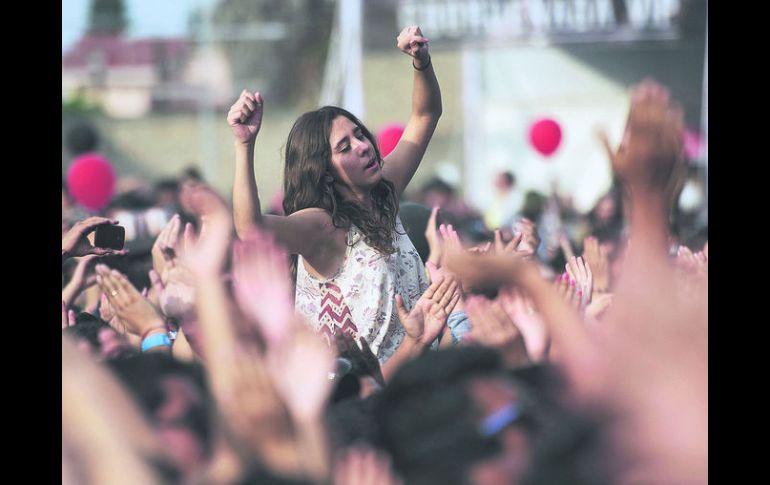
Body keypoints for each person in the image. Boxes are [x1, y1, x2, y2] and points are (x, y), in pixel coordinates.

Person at [227, 26, 443, 364]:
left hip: (418, 376)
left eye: (359, 134)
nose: (363, 146)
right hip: (359, 391)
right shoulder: (322, 226)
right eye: (344, 147)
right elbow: (249, 229)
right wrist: (244, 145)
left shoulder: (383, 193)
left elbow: (425, 115)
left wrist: (421, 61)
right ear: (323, 171)